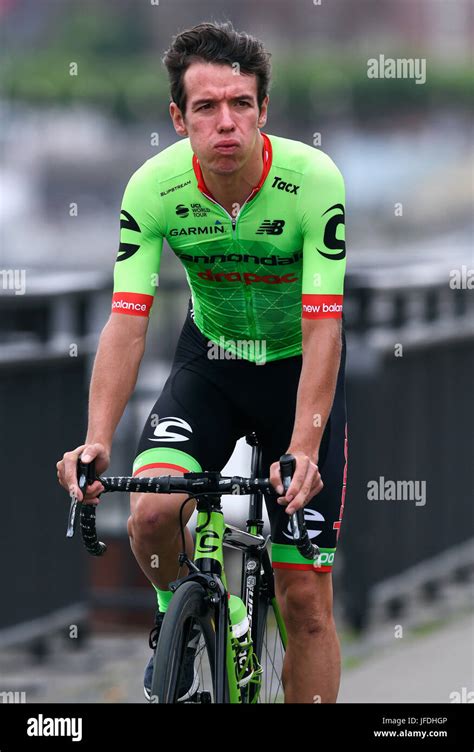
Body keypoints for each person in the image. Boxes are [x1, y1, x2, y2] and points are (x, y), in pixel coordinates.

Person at [57, 20, 348, 704]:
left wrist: (304, 446)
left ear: (263, 111)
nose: (227, 123)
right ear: (178, 118)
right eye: (207, 108)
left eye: (241, 104)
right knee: (153, 517)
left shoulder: (312, 181)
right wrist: (98, 438)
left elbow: (323, 325)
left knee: (303, 598)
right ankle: (173, 611)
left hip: (296, 374)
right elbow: (127, 324)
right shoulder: (153, 188)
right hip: (210, 366)